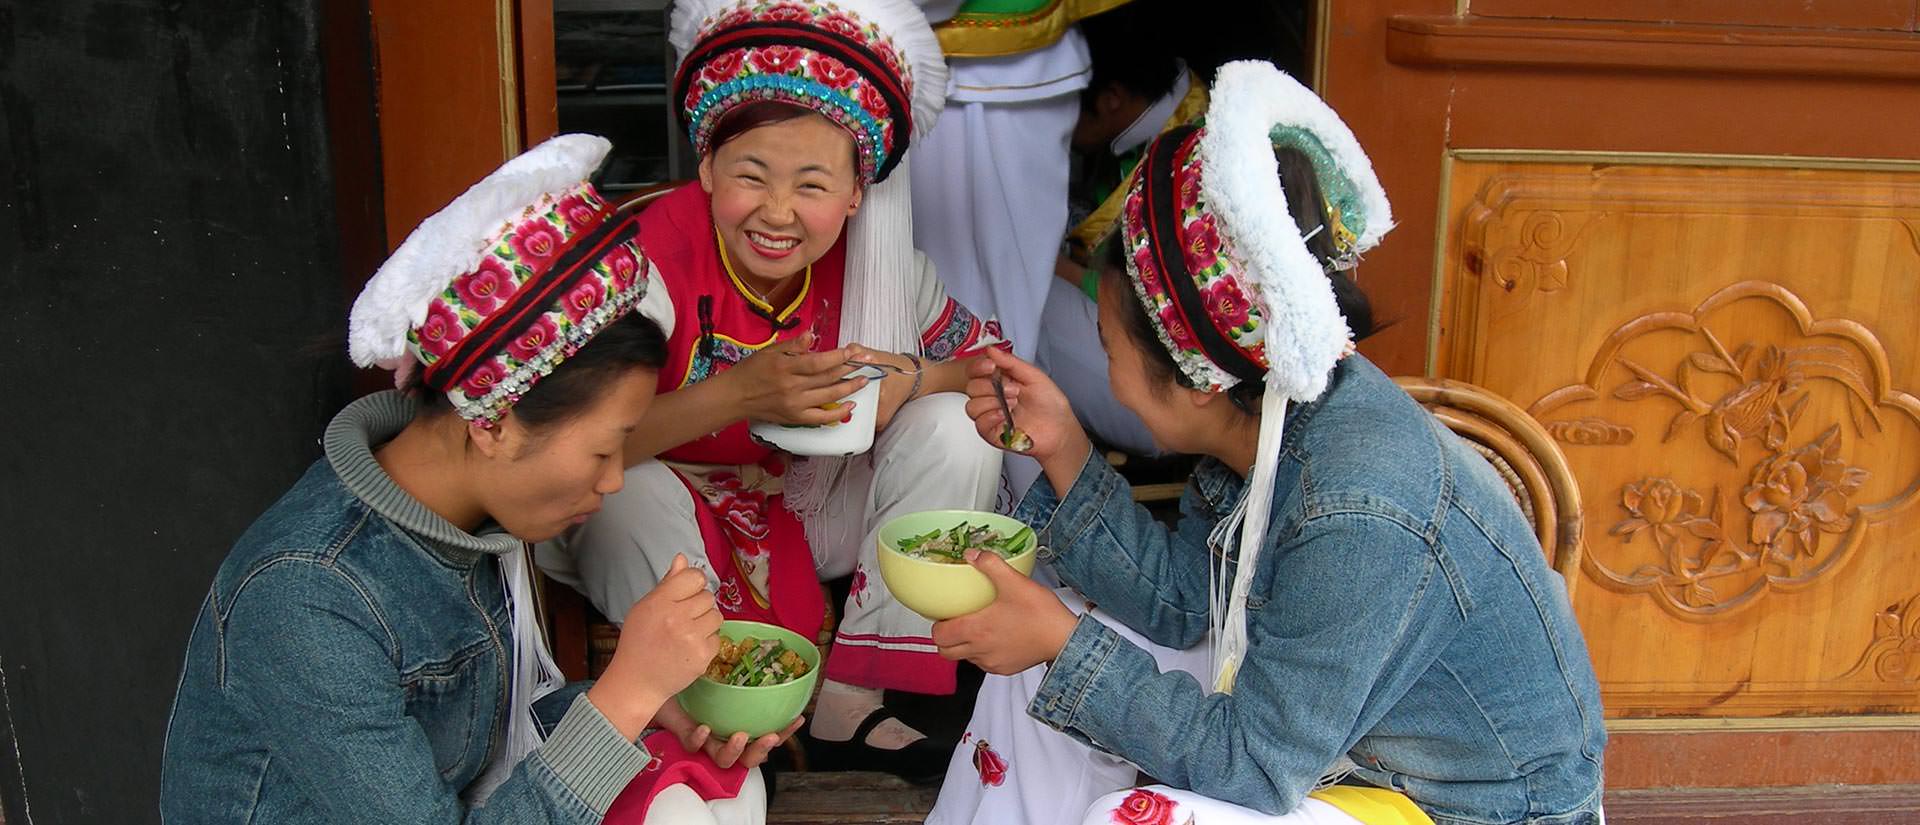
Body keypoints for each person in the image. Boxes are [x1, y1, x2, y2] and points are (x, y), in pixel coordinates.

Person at [924, 62, 1607, 825]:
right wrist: (1065, 447)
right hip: (1336, 746)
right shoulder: (1269, 407)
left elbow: (1252, 766)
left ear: (1194, 382)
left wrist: (1061, 642)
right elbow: (1187, 600)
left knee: (1130, 812)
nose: (1104, 372)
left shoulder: (1359, 509)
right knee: (1039, 665)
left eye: (1109, 345)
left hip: (1457, 808)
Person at [160, 135, 790, 825]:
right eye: (604, 450)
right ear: (492, 421)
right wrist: (626, 696)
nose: (614, 482)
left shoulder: (463, 519)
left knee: (718, 791)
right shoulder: (309, 594)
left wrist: (658, 701)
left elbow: (479, 735)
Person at [542, 0, 1001, 780]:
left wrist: (918, 380)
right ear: (709, 165)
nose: (780, 214)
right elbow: (561, 445)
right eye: (752, 176)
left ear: (857, 192)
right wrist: (739, 396)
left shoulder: (877, 264)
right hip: (668, 513)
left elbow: (997, 372)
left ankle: (850, 700)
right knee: (623, 494)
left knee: (957, 424)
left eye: (813, 184)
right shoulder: (643, 260)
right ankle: (709, 711)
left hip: (803, 505)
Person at [1036, 0, 1209, 457]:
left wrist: (1050, 266)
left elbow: (1161, 307)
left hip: (1173, 402)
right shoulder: (1166, 101)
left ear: (1110, 99)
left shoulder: (1190, 161)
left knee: (1017, 302)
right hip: (1140, 355)